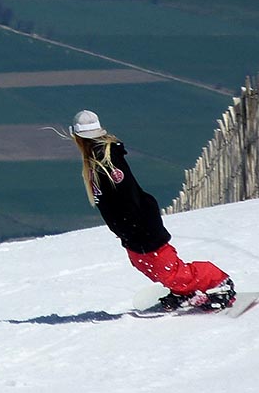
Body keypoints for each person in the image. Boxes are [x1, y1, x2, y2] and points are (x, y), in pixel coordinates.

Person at [68, 109, 236, 311]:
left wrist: (132, 226)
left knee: (168, 268)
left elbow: (127, 196)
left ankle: (218, 282)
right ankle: (185, 290)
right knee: (145, 265)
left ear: (77, 136)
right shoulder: (97, 160)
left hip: (140, 224)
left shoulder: (109, 160)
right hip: (129, 228)